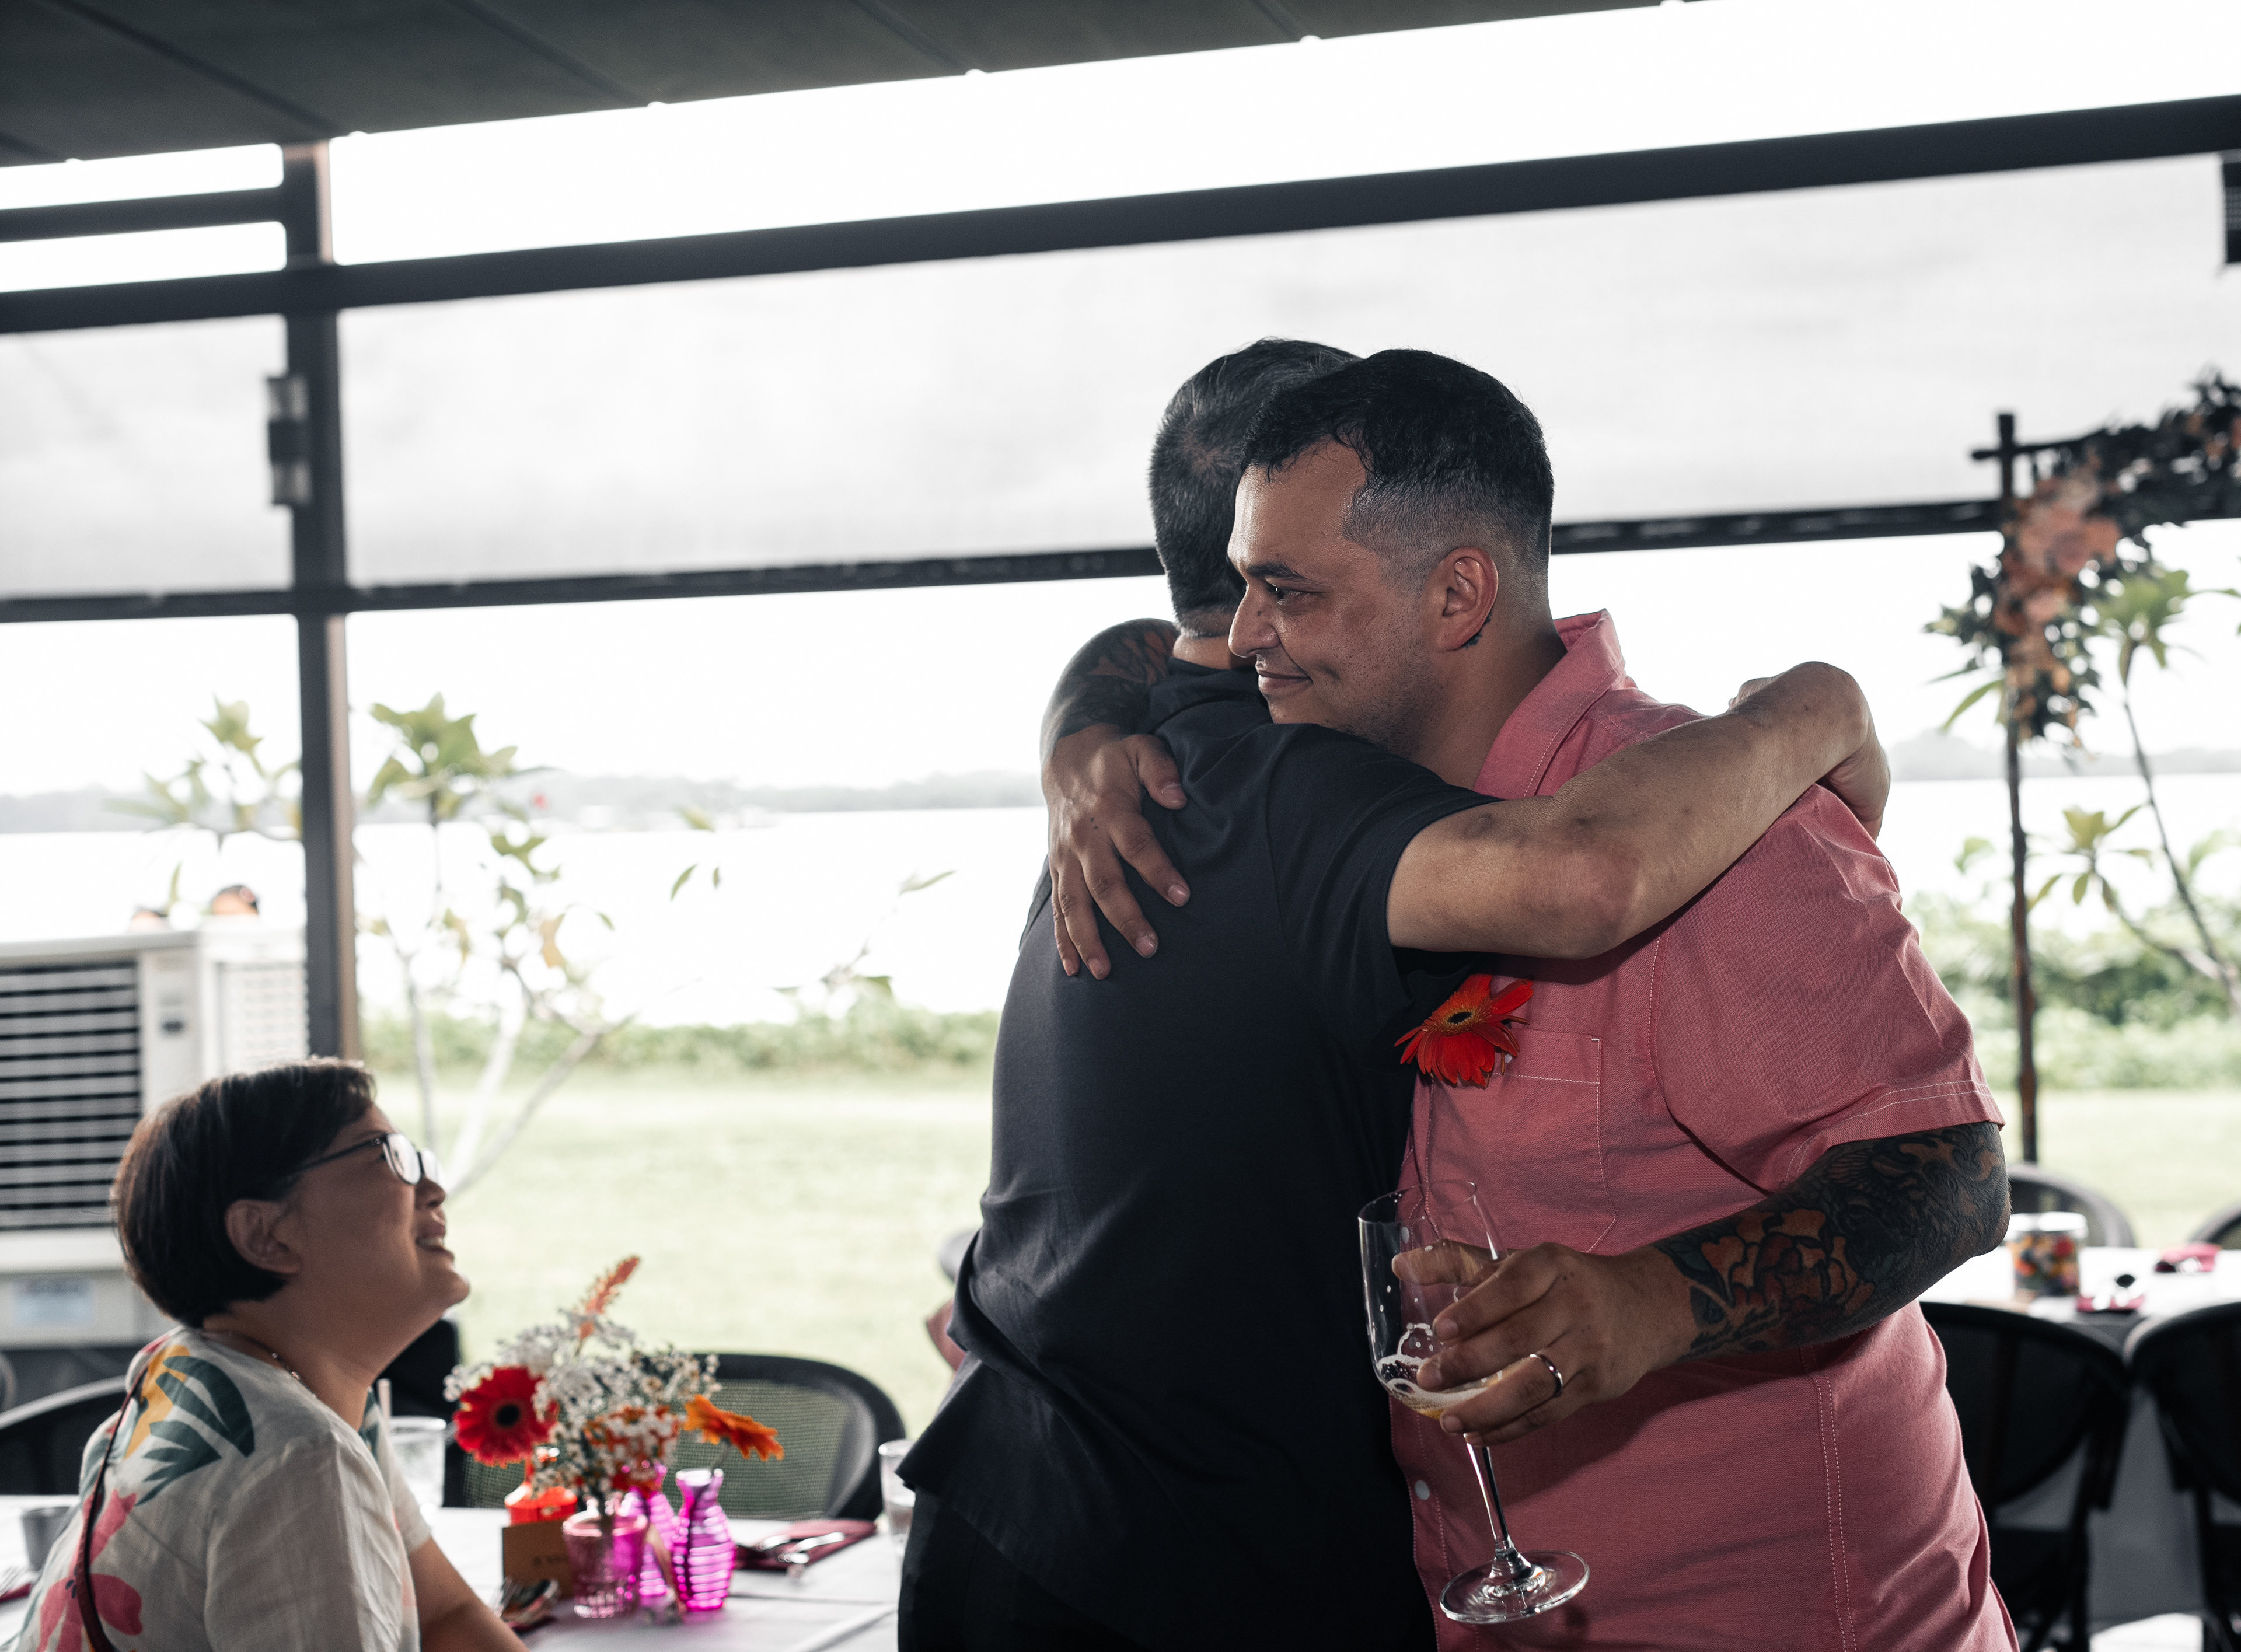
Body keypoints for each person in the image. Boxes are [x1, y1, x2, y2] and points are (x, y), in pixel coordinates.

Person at [898, 341, 1898, 1652]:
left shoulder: (1149, 757)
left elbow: (1138, 643)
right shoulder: (1285, 786)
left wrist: (1074, 719)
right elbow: (1582, 872)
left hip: (1020, 1509)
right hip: (1172, 1571)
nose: (1264, 627)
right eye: (1271, 580)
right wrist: (1819, 707)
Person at [15, 1061, 521, 1651]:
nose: (433, 1189)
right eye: (389, 1156)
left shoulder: (208, 1372)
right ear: (265, 1234)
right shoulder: (297, 1452)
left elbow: (447, 1615)